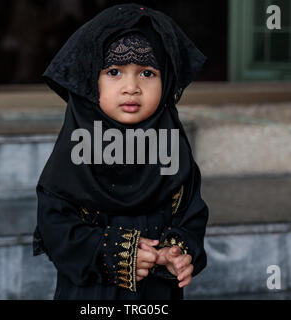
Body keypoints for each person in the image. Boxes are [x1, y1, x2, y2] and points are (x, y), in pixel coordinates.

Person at [33, 3, 209, 300]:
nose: (131, 87)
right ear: (91, 81)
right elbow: (56, 229)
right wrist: (113, 252)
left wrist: (176, 252)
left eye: (147, 73)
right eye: (114, 71)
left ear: (166, 82)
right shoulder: (76, 152)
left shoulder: (171, 150)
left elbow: (191, 215)